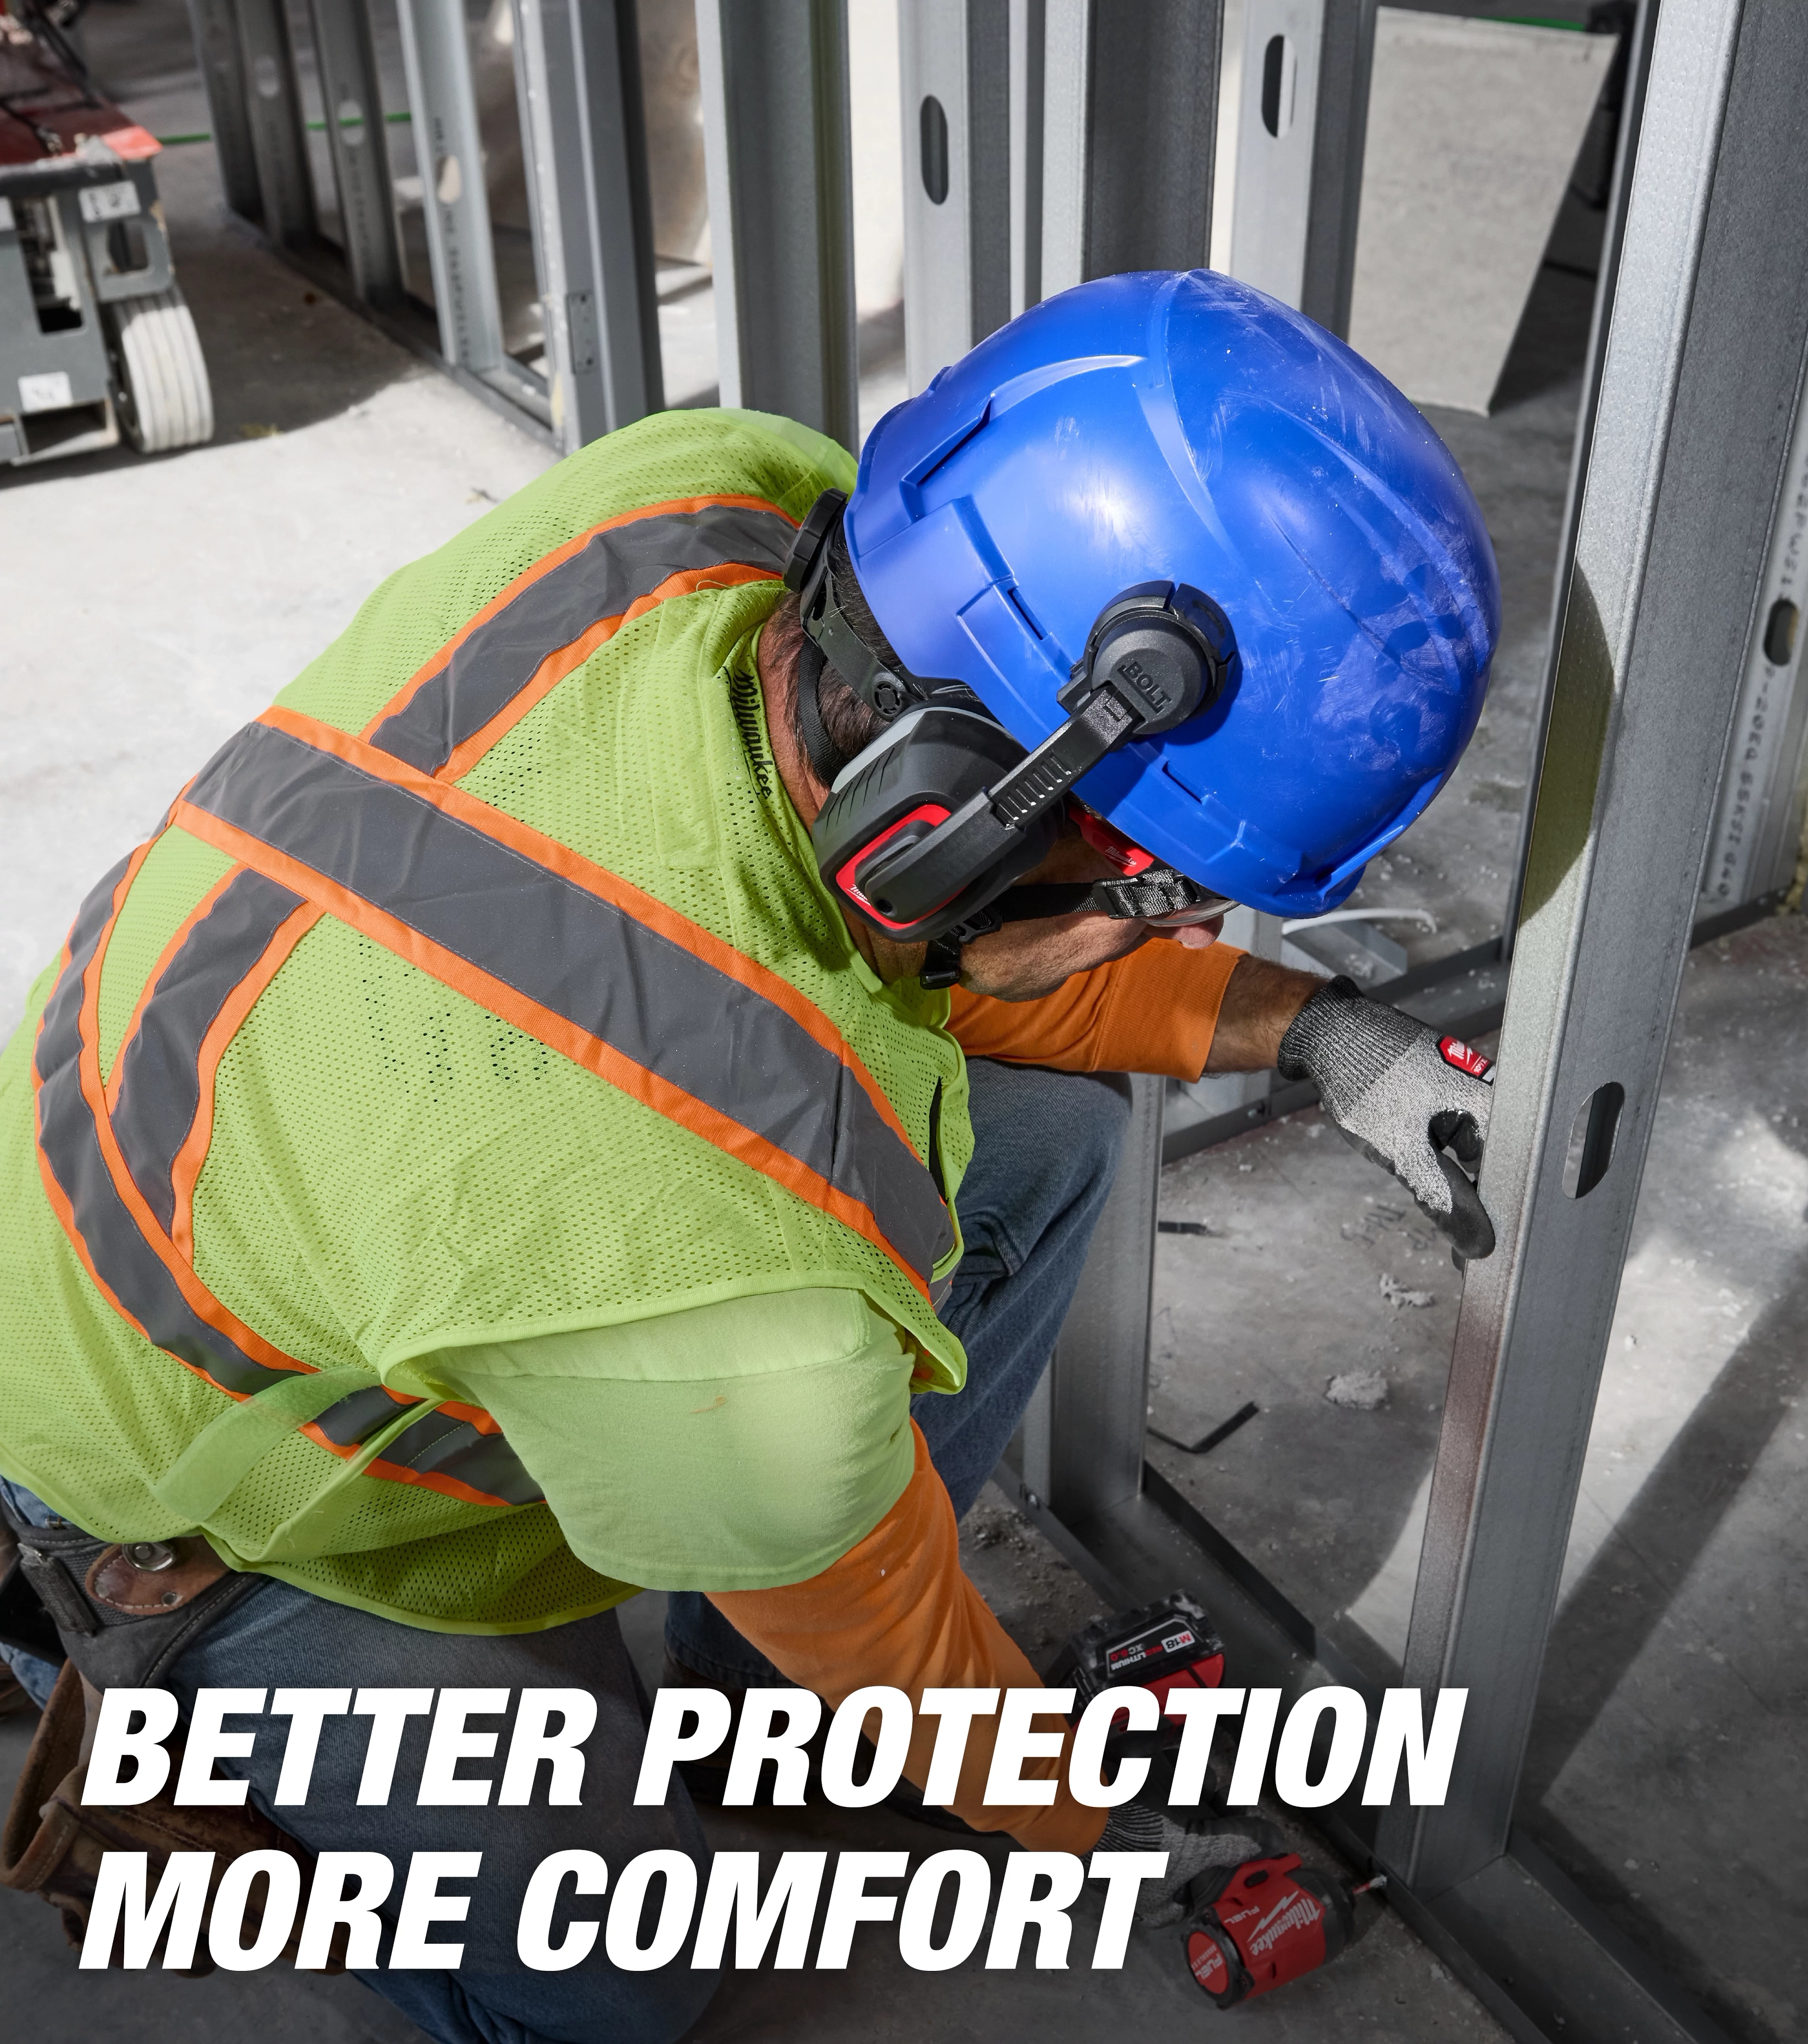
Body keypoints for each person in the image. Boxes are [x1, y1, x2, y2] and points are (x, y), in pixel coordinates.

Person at [0, 268, 1498, 2041]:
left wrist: (1309, 1029)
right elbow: (881, 1611)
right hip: (164, 1518)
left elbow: (862, 956)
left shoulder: (716, 507)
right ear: (945, 830)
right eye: (1147, 896)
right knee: (628, 1974)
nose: (1140, 934)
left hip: (191, 1173)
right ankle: (206, 1760)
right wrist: (1085, 1818)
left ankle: (743, 1693)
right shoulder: (711, 1267)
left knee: (1036, 1152)